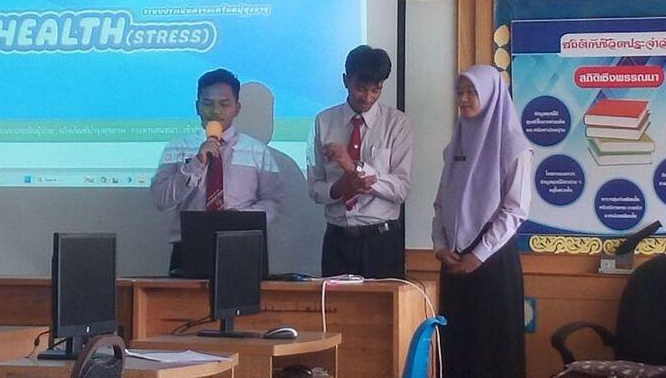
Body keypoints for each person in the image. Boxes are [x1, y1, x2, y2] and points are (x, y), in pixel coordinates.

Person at [432, 64, 532, 378]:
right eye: (459, 92)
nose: (463, 99)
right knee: (456, 352)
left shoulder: (515, 147)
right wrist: (440, 246)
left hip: (493, 261)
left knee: (492, 354)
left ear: (490, 95)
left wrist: (479, 255)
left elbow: (515, 210)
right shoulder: (456, 145)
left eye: (471, 92)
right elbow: (441, 204)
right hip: (454, 260)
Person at [151, 68, 283, 274]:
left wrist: (239, 218)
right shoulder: (177, 147)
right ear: (197, 107)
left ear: (237, 108)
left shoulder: (257, 151)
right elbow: (161, 199)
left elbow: (274, 203)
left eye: (224, 104)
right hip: (188, 246)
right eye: (208, 103)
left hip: (241, 244)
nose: (215, 111)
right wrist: (196, 163)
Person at [307, 46, 413, 279]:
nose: (368, 98)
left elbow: (401, 189)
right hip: (337, 240)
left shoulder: (397, 124)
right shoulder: (323, 121)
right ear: (346, 80)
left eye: (376, 90)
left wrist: (354, 167)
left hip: (381, 241)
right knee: (334, 304)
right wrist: (338, 188)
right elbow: (314, 187)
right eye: (360, 89)